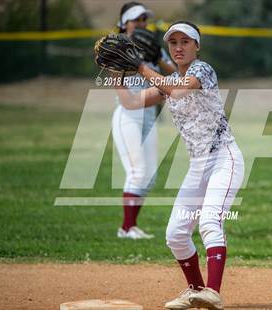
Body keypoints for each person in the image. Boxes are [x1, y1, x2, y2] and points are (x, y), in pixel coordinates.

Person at [114, 21, 245, 310]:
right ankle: (196, 290)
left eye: (185, 41)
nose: (179, 47)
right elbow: (131, 103)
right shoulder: (167, 83)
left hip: (225, 159)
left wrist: (140, 68)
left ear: (197, 46)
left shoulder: (202, 70)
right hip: (198, 166)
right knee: (175, 233)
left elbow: (179, 91)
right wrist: (117, 74)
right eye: (173, 43)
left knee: (211, 222)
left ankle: (213, 291)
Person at [112, 2, 176, 239]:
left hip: (150, 116)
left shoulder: (152, 48)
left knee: (150, 176)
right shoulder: (117, 49)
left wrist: (156, 57)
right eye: (136, 20)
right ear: (124, 24)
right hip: (128, 116)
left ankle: (131, 226)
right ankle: (126, 228)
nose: (141, 24)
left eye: (143, 20)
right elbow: (126, 99)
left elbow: (176, 74)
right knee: (138, 171)